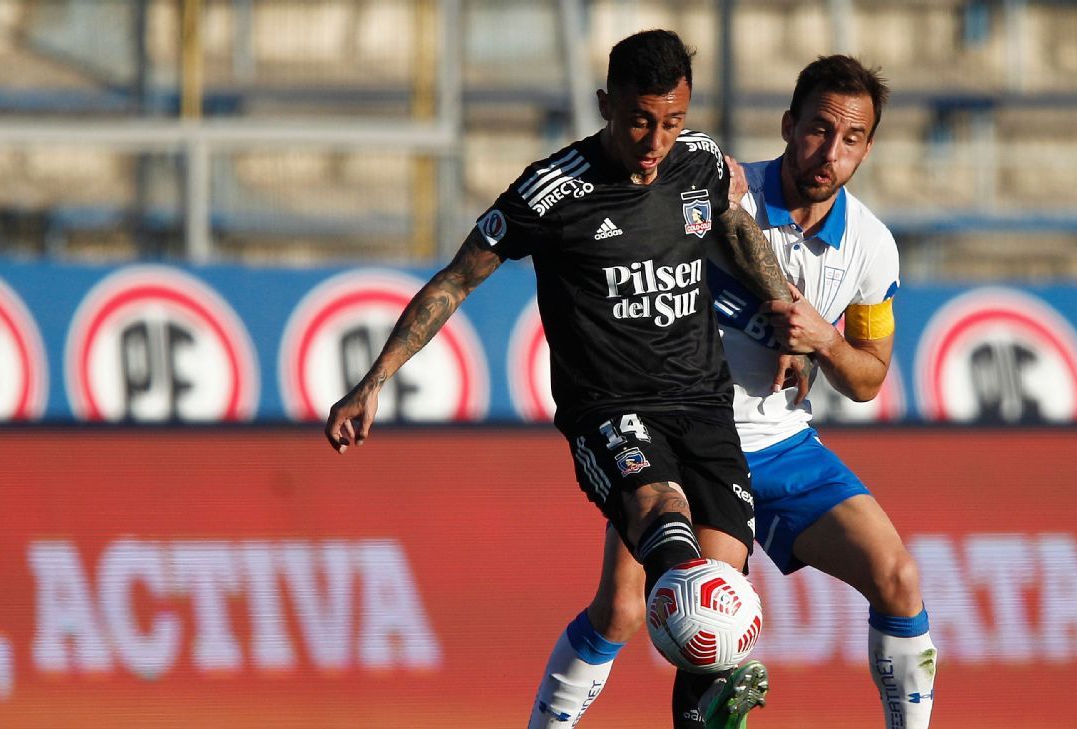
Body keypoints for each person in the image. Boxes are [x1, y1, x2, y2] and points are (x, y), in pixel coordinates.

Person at [323, 29, 799, 729]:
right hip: (610, 408)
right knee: (664, 522)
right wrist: (372, 381)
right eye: (640, 119)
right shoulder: (552, 191)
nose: (655, 140)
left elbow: (735, 229)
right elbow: (456, 280)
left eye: (671, 121)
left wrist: (785, 310)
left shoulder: (698, 162)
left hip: (703, 404)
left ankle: (697, 708)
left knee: (714, 592)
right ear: (606, 104)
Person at [529, 55, 937, 729]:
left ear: (868, 148)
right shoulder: (717, 193)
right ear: (788, 125)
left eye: (852, 139)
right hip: (683, 442)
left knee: (898, 577)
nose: (829, 152)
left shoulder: (872, 248)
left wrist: (825, 343)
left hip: (781, 445)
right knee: (638, 613)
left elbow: (868, 377)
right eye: (817, 130)